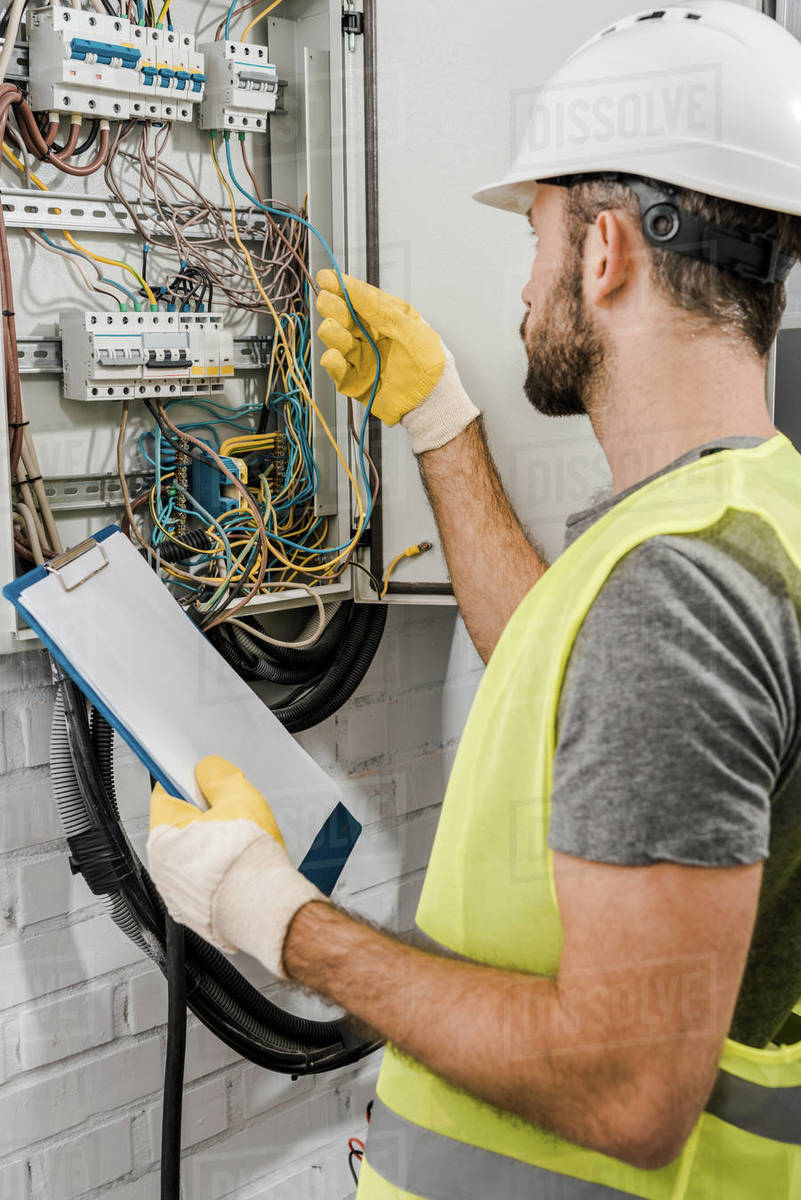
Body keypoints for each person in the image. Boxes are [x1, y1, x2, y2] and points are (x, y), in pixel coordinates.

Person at [147, 3, 801, 1196]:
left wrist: (276, 917)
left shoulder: (681, 589)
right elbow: (568, 678)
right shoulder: (742, 517)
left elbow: (625, 1087)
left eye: (539, 236)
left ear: (605, 253)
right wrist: (442, 424)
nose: (528, 281)